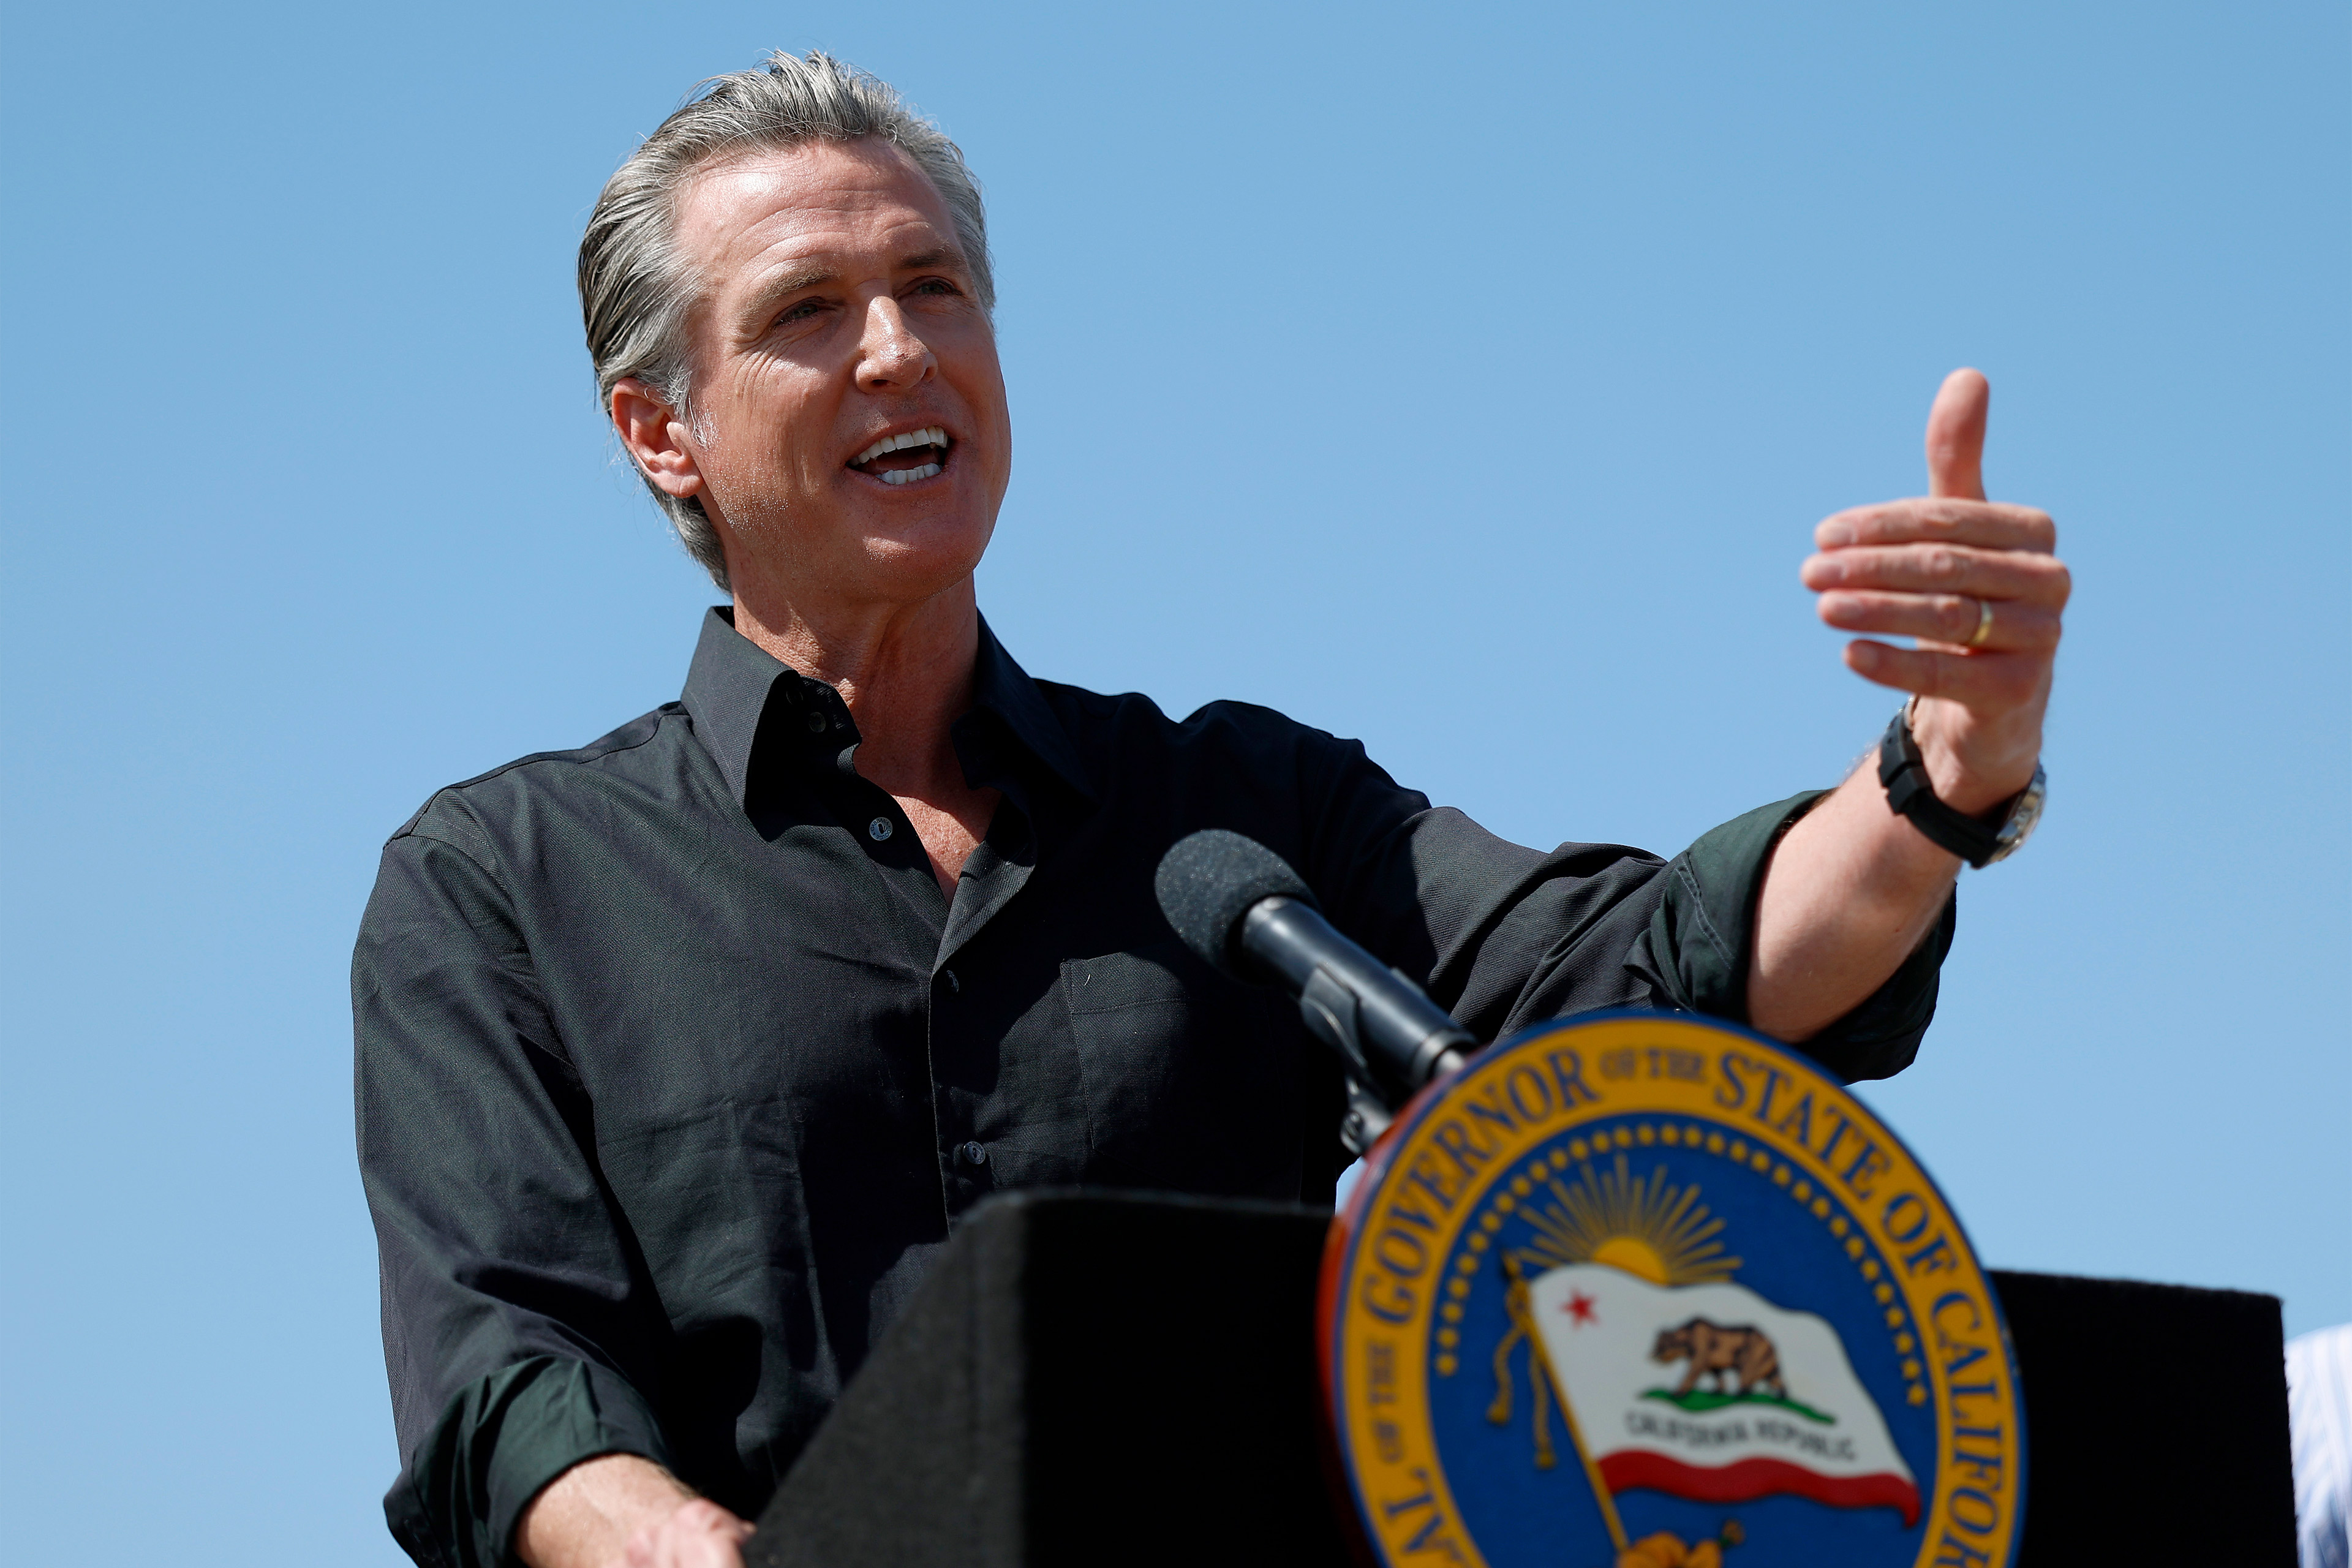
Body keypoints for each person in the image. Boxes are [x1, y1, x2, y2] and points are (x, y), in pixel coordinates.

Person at [352, 51, 2068, 1568]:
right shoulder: (505, 886)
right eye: (810, 310)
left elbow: (1659, 976)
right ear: (663, 431)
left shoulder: (1239, 820)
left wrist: (1943, 773)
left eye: (937, 288)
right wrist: (661, 1538)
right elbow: (505, 1372)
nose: (900, 350)